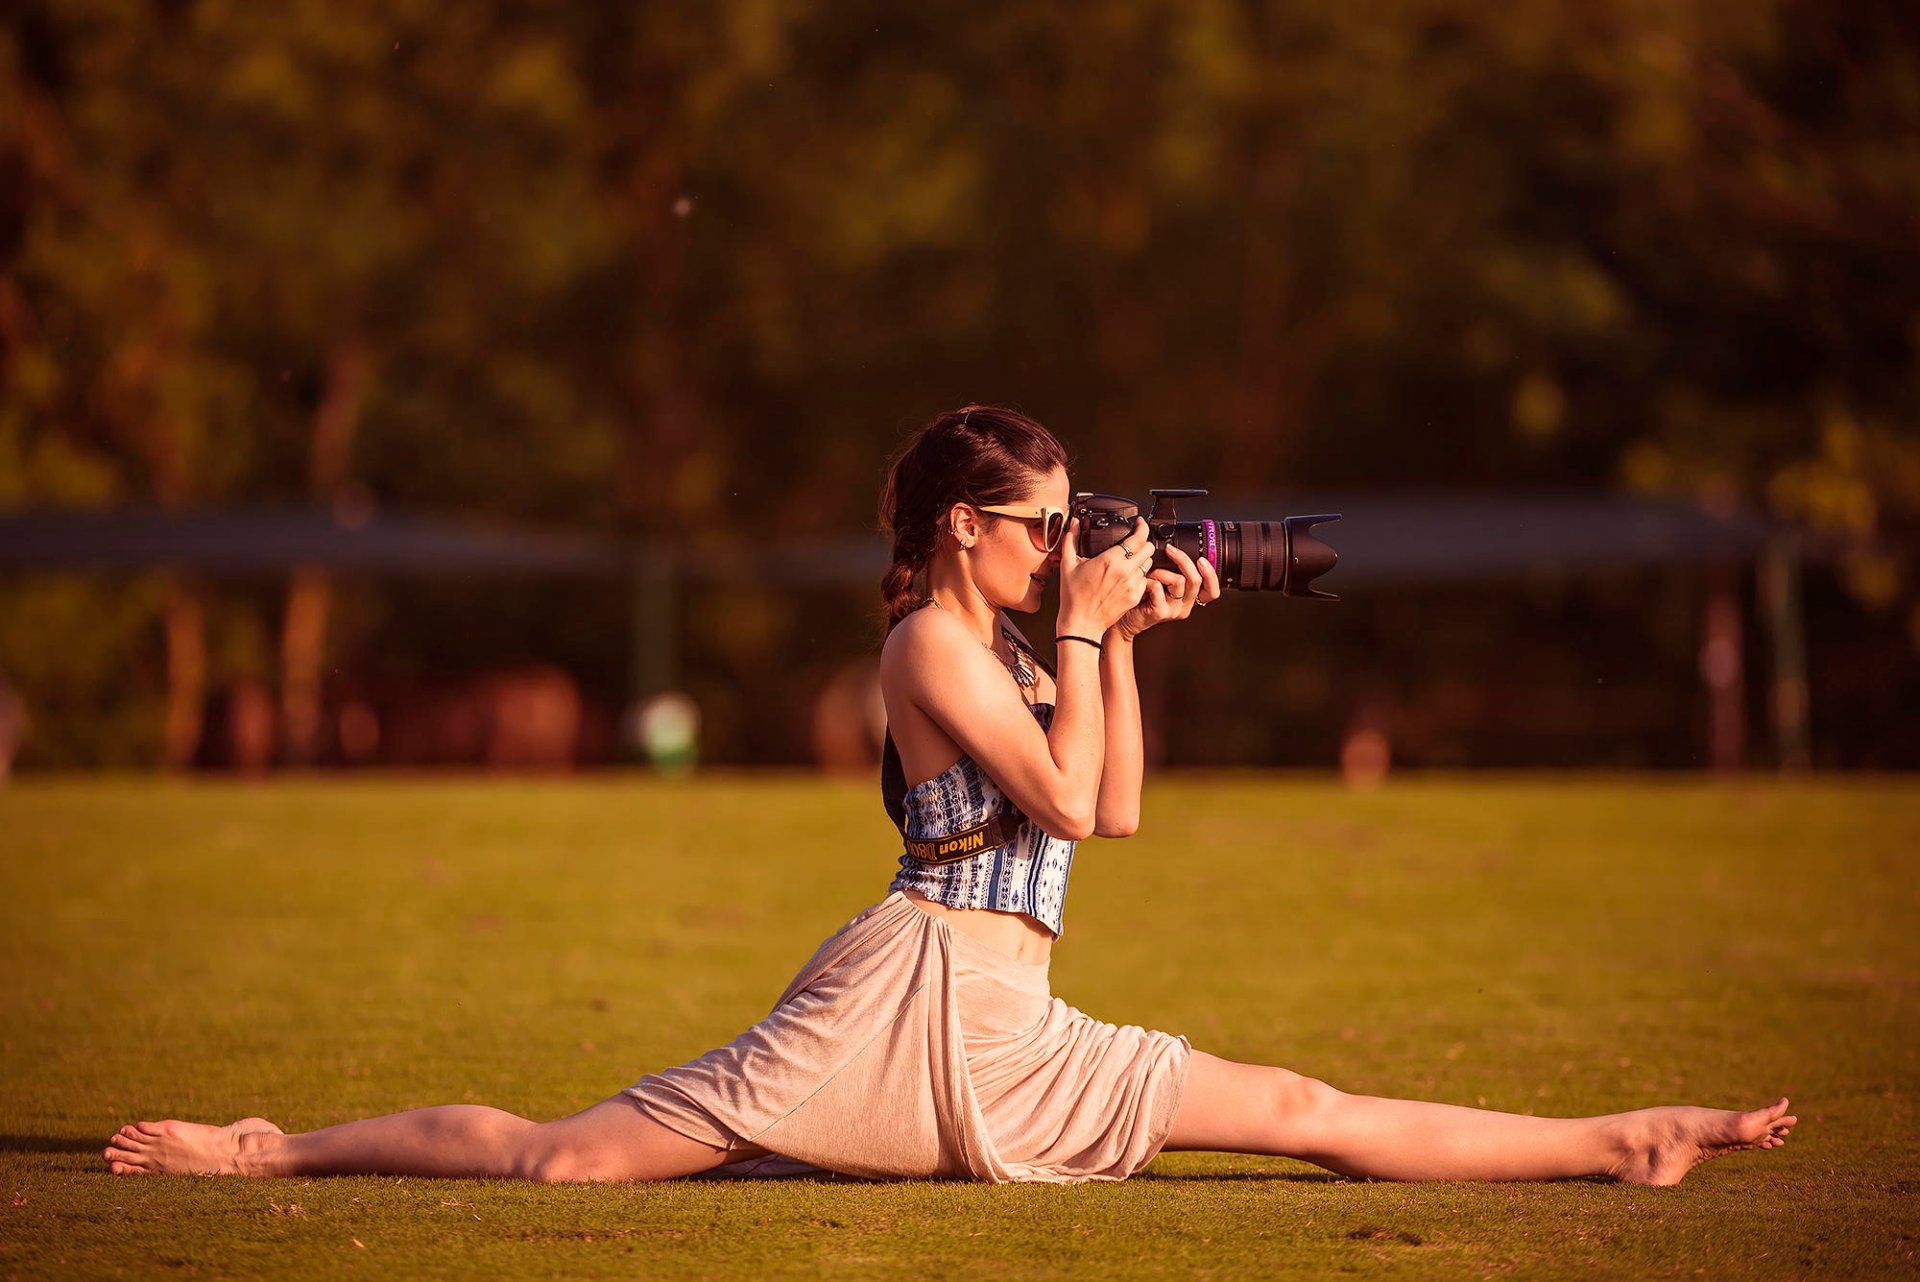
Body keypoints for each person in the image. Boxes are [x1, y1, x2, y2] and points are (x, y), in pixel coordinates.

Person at [104, 405, 1795, 1186]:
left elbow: (1111, 814)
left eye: (1071, 521)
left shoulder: (1028, 631)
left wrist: (1126, 636)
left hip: (1021, 1022)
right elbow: (1056, 806)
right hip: (896, 1001)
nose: (1064, 542)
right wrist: (1086, 622)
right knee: (567, 1166)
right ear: (959, 533)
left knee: (1301, 1105)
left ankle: (1624, 1138)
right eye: (1041, 521)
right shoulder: (928, 643)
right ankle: (266, 1150)